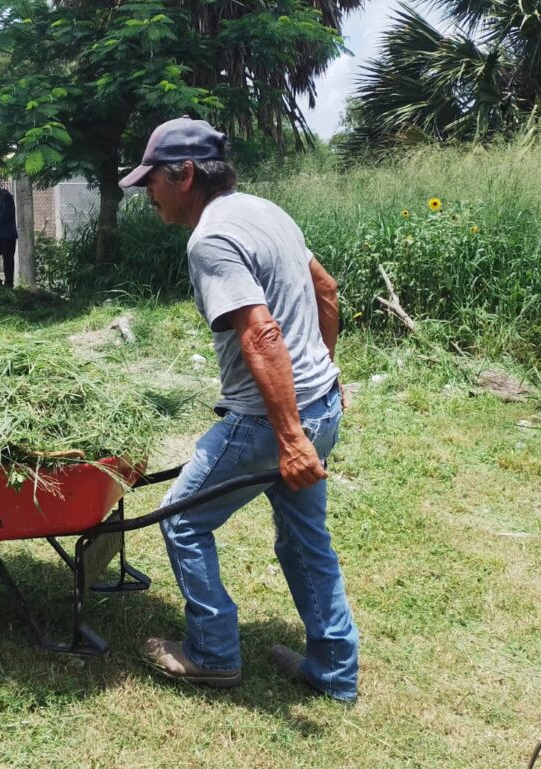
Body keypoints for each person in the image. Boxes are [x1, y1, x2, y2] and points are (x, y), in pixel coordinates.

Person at [121, 118, 359, 702]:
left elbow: (262, 336)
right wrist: (321, 376)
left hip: (266, 421)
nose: (147, 191)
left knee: (181, 518)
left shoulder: (210, 239)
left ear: (184, 174)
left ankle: (211, 653)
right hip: (320, 405)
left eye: (152, 179)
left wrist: (290, 434)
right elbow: (325, 290)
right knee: (306, 540)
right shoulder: (266, 211)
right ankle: (334, 670)